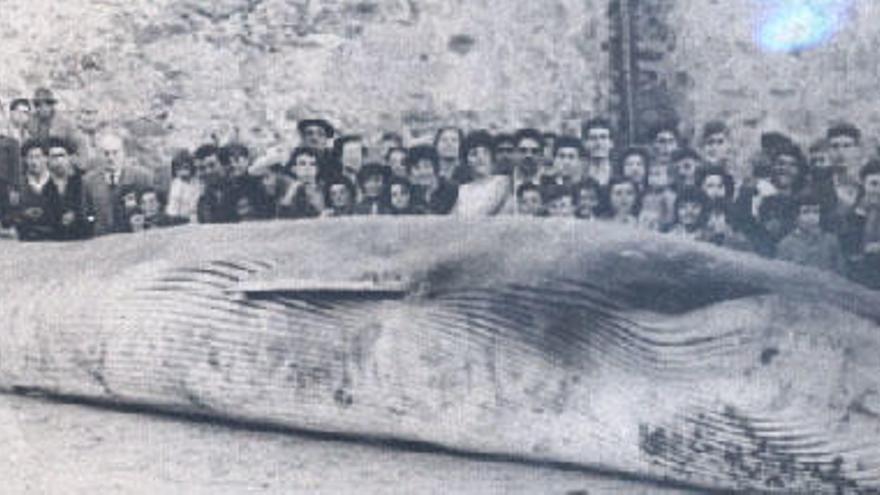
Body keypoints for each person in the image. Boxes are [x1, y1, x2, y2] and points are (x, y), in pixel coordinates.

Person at [83, 131, 155, 235]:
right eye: (106, 153)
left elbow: (152, 212)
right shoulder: (88, 181)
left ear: (123, 153)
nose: (111, 158)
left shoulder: (142, 177)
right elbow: (87, 214)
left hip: (134, 239)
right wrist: (93, 222)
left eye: (115, 152)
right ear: (99, 155)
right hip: (101, 241)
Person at [777, 193, 845, 275]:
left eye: (816, 212)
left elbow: (841, 274)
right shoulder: (786, 244)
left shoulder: (830, 241)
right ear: (795, 216)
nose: (812, 217)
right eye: (806, 212)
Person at [838, 160, 880, 288]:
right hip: (860, 279)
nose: (879, 190)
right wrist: (860, 213)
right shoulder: (851, 213)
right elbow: (847, 248)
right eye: (874, 184)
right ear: (863, 184)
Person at [12, 139, 60, 241]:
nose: (34, 162)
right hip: (26, 238)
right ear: (25, 160)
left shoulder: (57, 182)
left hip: (54, 237)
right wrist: (23, 213)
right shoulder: (18, 184)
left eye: (38, 157)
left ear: (46, 158)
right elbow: (11, 212)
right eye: (30, 157)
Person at [45, 137, 88, 240]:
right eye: (54, 157)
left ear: (69, 158)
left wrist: (75, 215)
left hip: (79, 239)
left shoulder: (80, 182)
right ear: (48, 160)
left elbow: (89, 211)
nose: (59, 161)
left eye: (62, 156)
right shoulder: (44, 185)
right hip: (50, 241)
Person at [407, 145, 458, 214]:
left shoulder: (452, 189)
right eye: (416, 168)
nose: (423, 172)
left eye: (427, 166)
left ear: (435, 168)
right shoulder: (410, 192)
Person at [278, 147, 324, 219]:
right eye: (302, 164)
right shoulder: (286, 189)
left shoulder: (324, 188)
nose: (308, 168)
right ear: (294, 169)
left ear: (317, 169)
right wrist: (291, 192)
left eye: (312, 164)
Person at [165, 150, 202, 222]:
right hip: (182, 219)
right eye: (178, 169)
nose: (182, 171)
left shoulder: (197, 182)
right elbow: (173, 208)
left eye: (186, 167)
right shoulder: (176, 185)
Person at [641, 161, 677, 231]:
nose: (653, 178)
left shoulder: (669, 196)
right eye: (650, 175)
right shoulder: (646, 196)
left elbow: (671, 217)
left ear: (670, 179)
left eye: (657, 175)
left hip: (662, 228)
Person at [582, 117, 615, 188]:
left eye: (603, 137)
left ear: (611, 143)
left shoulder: (620, 171)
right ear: (585, 144)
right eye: (593, 138)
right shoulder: (579, 173)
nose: (598, 143)